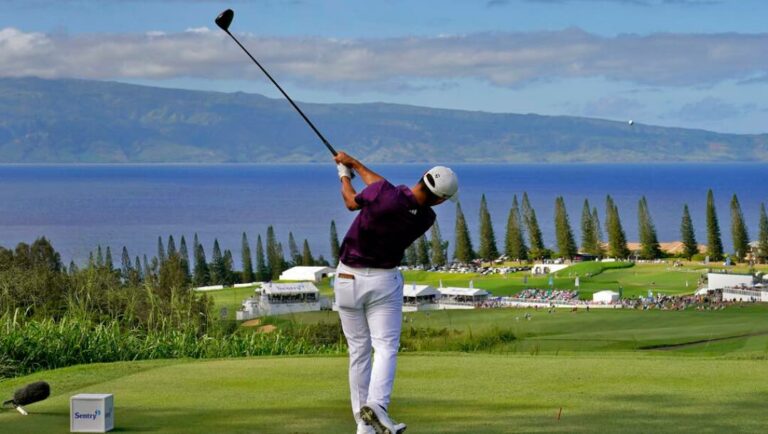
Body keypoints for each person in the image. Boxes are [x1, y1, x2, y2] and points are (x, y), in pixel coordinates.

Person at [333, 151, 458, 434]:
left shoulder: (383, 194)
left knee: (359, 352)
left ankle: (364, 424)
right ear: (440, 199)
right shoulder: (426, 218)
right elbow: (383, 189)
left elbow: (352, 201)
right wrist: (355, 165)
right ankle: (376, 408)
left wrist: (344, 175)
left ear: (421, 177)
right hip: (383, 283)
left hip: (347, 279)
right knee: (386, 347)